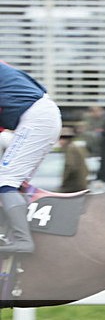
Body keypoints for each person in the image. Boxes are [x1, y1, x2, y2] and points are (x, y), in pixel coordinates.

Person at [0, 61, 62, 253]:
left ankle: (23, 240)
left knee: (6, 180)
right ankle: (7, 232)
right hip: (39, 116)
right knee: (13, 182)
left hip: (35, 118)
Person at [59, 125, 89, 192]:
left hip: (72, 186)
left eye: (62, 139)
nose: (60, 142)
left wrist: (64, 180)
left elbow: (70, 166)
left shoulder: (70, 149)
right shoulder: (76, 147)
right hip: (80, 184)